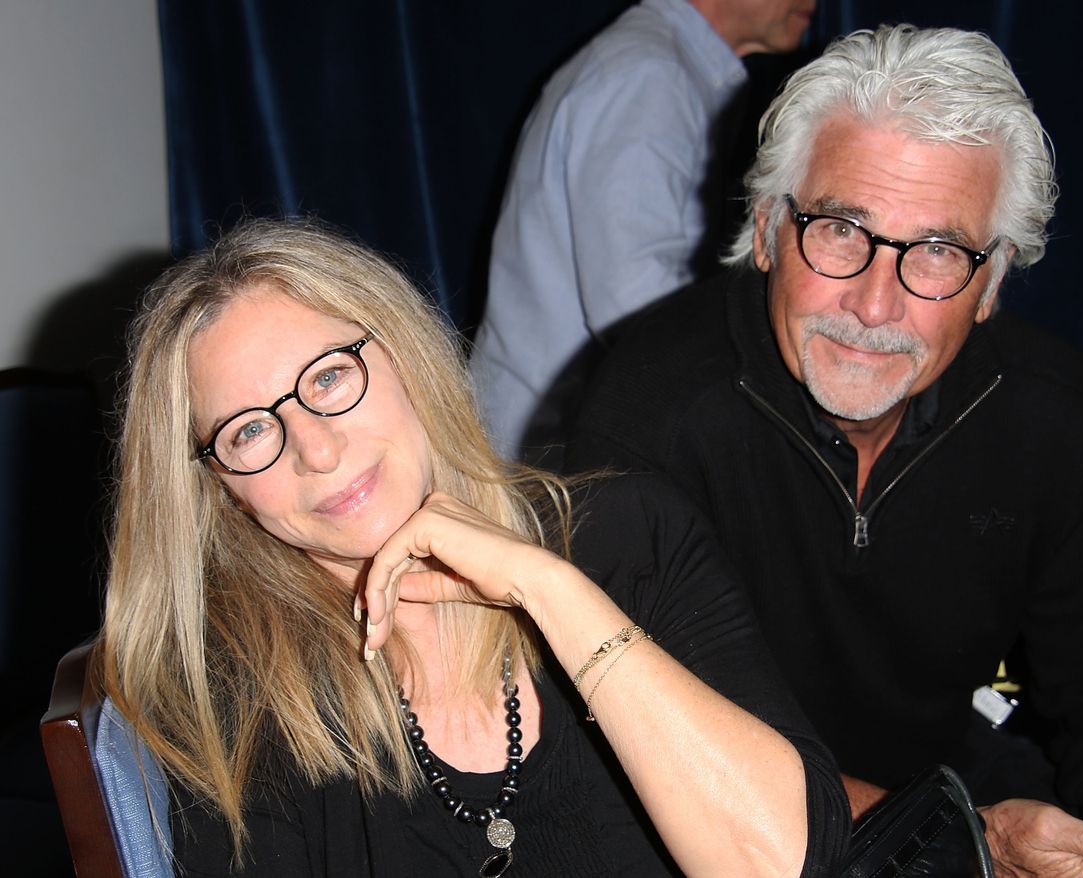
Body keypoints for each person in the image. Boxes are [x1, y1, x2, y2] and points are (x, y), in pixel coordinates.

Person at [567, 23, 1083, 877]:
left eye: (938, 252)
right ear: (765, 232)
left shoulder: (1059, 416)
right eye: (839, 229)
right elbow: (647, 740)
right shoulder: (649, 412)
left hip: (963, 793)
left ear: (992, 283)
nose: (873, 305)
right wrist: (957, 844)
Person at [92, 218, 848, 877]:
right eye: (250, 429)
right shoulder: (235, 710)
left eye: (328, 377)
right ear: (219, 487)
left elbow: (786, 862)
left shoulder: (627, 536)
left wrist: (550, 591)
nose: (315, 450)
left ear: (406, 357)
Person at [470, 0, 816, 462]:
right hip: (557, 465)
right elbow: (634, 300)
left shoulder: (659, 66)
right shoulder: (649, 77)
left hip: (557, 450)